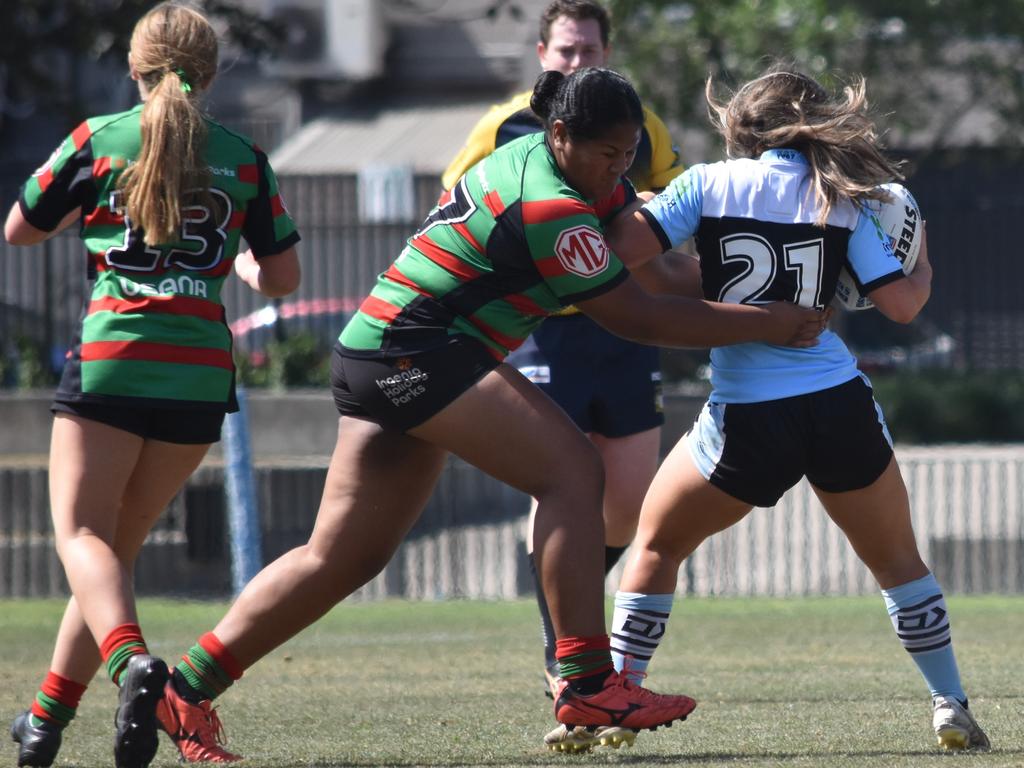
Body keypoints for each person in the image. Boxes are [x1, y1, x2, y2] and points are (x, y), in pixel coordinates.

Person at [149, 67, 826, 763]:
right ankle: (588, 679)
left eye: (629, 155)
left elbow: (655, 271)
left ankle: (184, 690)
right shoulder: (551, 206)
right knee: (570, 472)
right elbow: (637, 315)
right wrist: (765, 323)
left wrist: (766, 281)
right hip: (413, 354)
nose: (619, 169)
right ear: (560, 133)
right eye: (607, 154)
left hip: (381, 352)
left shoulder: (560, 166)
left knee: (342, 557)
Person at [604, 66, 990, 752]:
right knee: (899, 562)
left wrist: (712, 278)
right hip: (837, 403)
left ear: (741, 126)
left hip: (748, 416)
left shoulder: (709, 183)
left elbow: (625, 251)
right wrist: (921, 261)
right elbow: (902, 305)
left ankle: (618, 699)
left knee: (657, 547)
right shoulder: (841, 198)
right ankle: (949, 702)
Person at [4, 4, 301, 767]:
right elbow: (283, 277)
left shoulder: (97, 141)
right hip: (198, 381)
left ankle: (133, 664)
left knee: (80, 538)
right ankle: (43, 720)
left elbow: (20, 228)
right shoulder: (242, 156)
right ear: (211, 74)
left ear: (133, 69)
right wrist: (233, 261)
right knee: (111, 557)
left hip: (113, 364)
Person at [443, 2, 686, 737]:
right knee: (563, 478)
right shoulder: (506, 126)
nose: (576, 64)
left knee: (626, 503)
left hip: (622, 327)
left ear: (607, 50)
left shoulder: (633, 122)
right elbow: (454, 201)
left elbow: (669, 203)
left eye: (589, 51)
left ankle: (575, 623)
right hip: (547, 330)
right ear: (543, 51)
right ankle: (567, 660)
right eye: (565, 51)